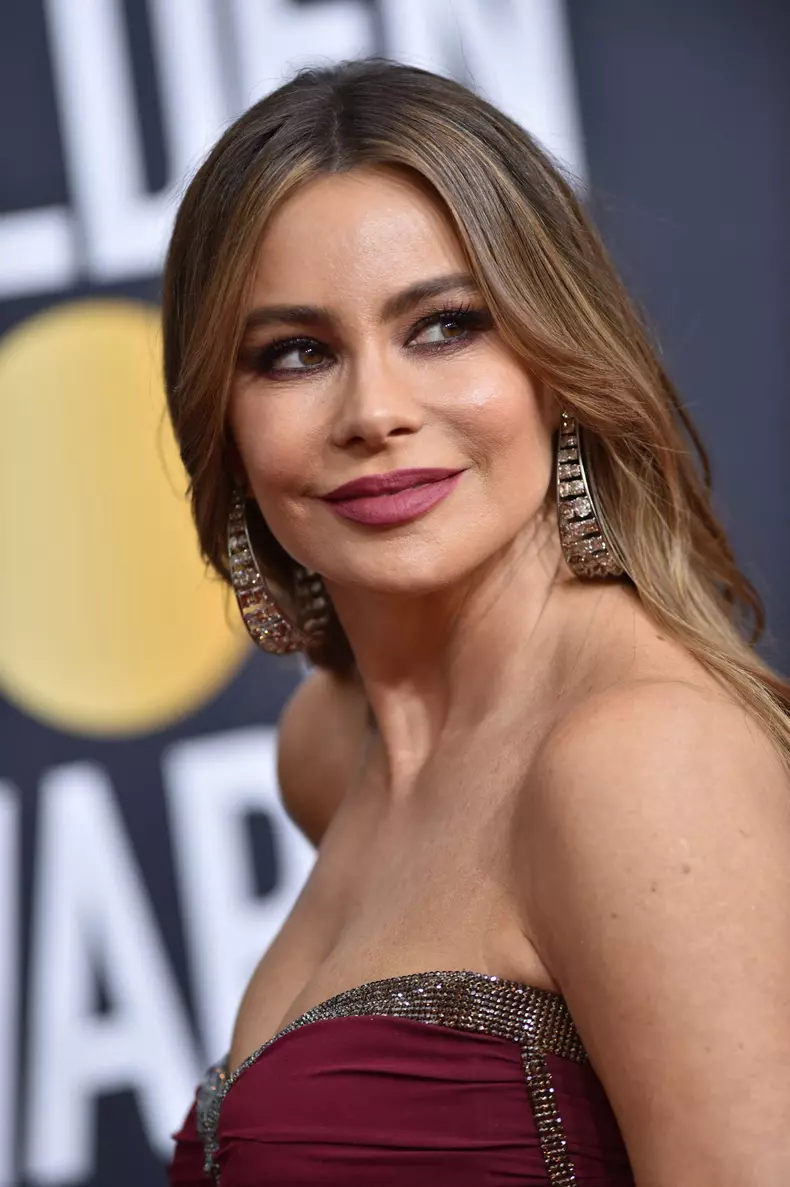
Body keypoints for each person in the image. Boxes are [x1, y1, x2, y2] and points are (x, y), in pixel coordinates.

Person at [163, 57, 790, 1187]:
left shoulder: (638, 762)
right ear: (222, 412)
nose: (376, 412)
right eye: (294, 352)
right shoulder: (330, 746)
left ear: (556, 354)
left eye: (445, 325)